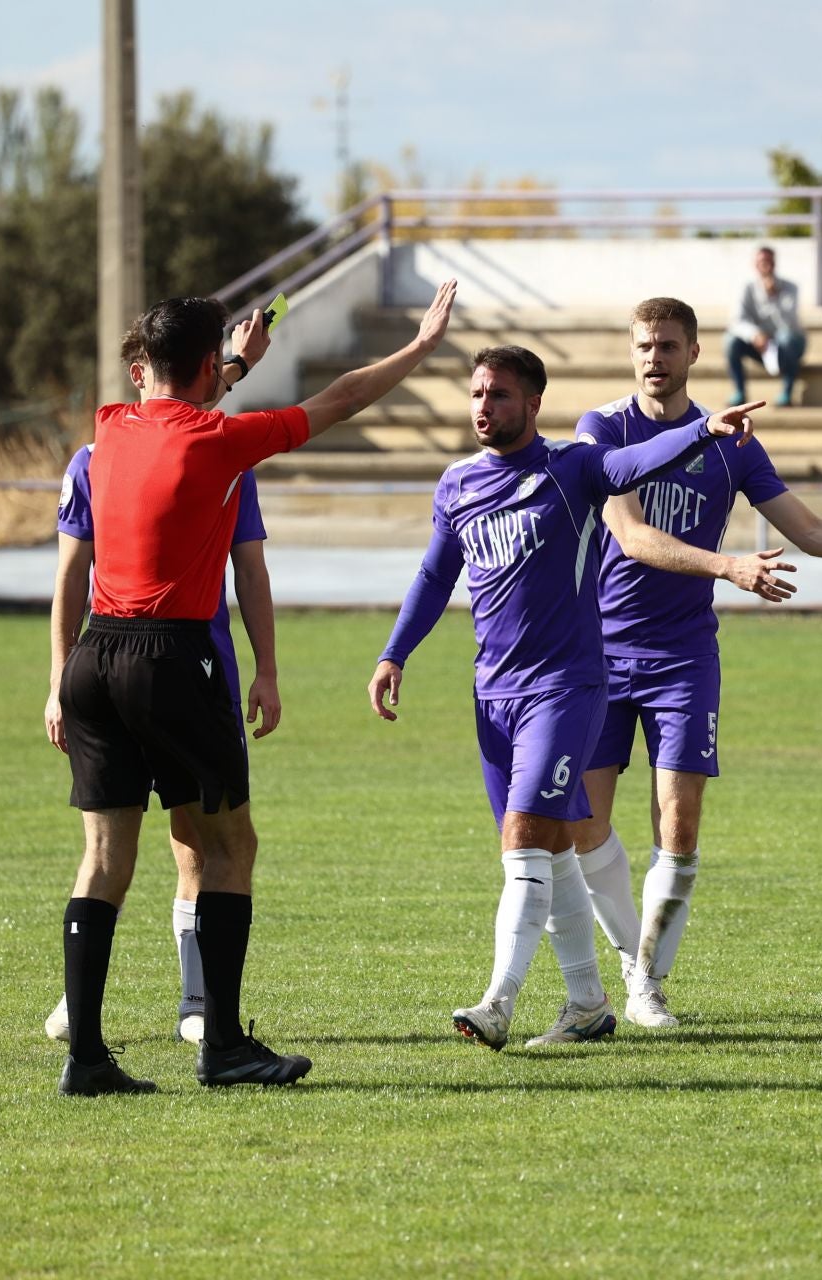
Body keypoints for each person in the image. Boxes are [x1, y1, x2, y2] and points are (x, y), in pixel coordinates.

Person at [53, 277, 459, 1096]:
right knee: (230, 847)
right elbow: (342, 398)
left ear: (144, 365)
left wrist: (234, 364)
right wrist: (418, 348)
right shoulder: (221, 442)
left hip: (93, 660)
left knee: (103, 857)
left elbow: (181, 395)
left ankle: (87, 1058)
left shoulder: (110, 428)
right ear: (208, 366)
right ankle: (224, 1044)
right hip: (173, 661)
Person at [369, 346, 764, 1050]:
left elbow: (633, 465)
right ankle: (587, 1001)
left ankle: (498, 1001)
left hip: (566, 687)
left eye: (499, 394)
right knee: (551, 849)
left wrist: (703, 431)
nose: (484, 406)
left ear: (533, 404)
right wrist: (394, 653)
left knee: (525, 839)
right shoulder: (457, 484)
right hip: (493, 692)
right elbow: (434, 578)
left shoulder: (572, 468)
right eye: (477, 393)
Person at [568, 297, 822, 1029]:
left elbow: (807, 529)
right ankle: (629, 961)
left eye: (667, 346)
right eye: (644, 345)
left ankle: (647, 984)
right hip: (599, 651)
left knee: (678, 827)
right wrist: (729, 566)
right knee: (585, 828)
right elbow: (631, 536)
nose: (654, 358)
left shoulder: (733, 442)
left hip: (682, 657)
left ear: (694, 352)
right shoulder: (603, 429)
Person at [44, 330, 281, 1048]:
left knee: (191, 840)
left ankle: (196, 1002)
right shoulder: (96, 459)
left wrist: (266, 668)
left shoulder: (221, 460)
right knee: (115, 847)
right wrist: (56, 680)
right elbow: (70, 575)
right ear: (134, 374)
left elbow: (250, 569)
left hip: (193, 668)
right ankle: (87, 1005)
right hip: (133, 666)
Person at [726, 246, 806, 407]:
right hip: (760, 344)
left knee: (786, 337)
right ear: (755, 265)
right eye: (761, 262)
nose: (765, 265)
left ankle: (787, 392)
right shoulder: (747, 288)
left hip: (788, 345)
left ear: (774, 263)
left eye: (768, 261)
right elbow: (737, 320)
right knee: (730, 341)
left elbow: (788, 324)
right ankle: (739, 392)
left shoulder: (790, 288)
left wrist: (773, 296)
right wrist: (755, 335)